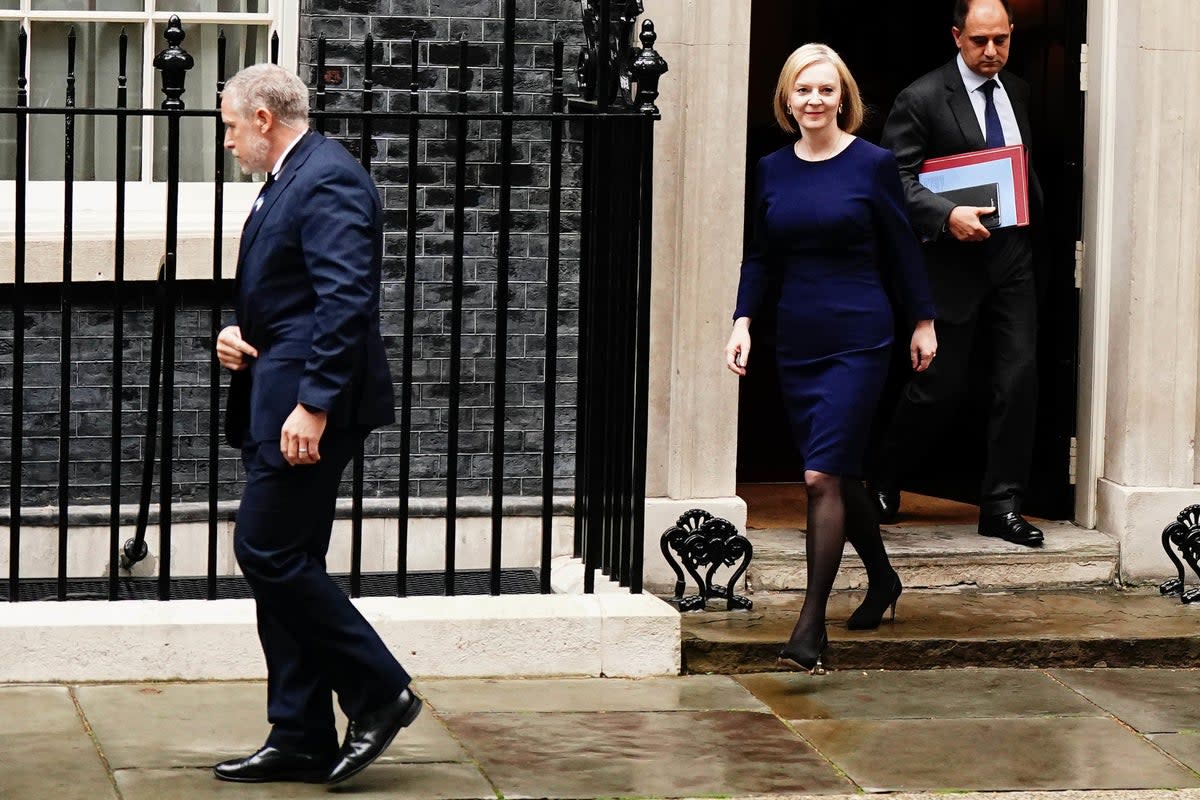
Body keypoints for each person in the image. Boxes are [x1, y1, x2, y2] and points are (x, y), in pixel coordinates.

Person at [212, 63, 419, 786]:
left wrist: (315, 402)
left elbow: (345, 300)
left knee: (267, 550)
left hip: (306, 407)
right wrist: (240, 334)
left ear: (263, 120)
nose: (230, 143)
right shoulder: (293, 179)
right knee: (287, 562)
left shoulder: (326, 177)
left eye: (232, 128)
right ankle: (299, 732)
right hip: (279, 388)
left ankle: (378, 690)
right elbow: (297, 295)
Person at [724, 44, 937, 674]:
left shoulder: (873, 165)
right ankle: (883, 578)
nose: (814, 100)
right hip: (797, 339)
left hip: (859, 335)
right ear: (786, 100)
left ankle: (810, 626)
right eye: (802, 90)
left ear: (843, 96)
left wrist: (922, 321)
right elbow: (760, 254)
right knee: (838, 471)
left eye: (825, 90)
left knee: (818, 477)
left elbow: (901, 247)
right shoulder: (771, 169)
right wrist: (743, 321)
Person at [869, 0, 1045, 547]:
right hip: (948, 264)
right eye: (979, 42)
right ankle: (882, 479)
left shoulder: (1017, 89)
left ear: (1012, 34)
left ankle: (1001, 504)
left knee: (1018, 379)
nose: (991, 52)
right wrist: (946, 215)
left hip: (1011, 255)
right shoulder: (921, 97)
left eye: (1001, 40)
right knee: (937, 387)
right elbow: (892, 177)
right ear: (956, 37)